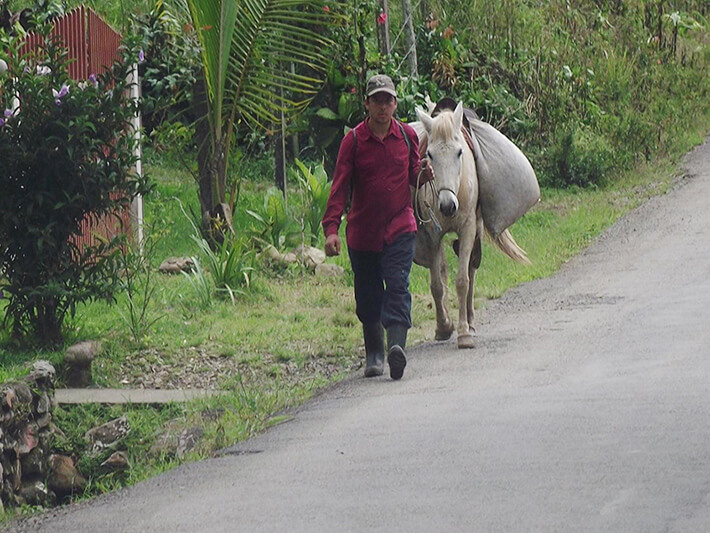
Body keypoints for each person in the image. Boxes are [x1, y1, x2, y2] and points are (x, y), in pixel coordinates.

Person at [322, 74, 432, 380]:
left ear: (395, 104)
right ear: (367, 104)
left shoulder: (408, 136)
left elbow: (413, 174)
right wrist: (331, 228)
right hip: (363, 234)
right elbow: (339, 188)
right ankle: (374, 353)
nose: (383, 106)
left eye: (388, 100)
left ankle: (396, 348)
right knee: (368, 294)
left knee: (398, 285)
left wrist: (423, 174)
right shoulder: (353, 141)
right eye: (377, 100)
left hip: (400, 227)